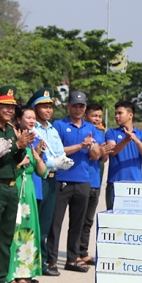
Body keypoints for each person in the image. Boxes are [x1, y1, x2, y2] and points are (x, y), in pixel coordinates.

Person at [0, 86, 35, 283]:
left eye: (12, 106)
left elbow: (14, 160)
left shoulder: (9, 129)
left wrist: (22, 147)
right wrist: (17, 145)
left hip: (12, 186)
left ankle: (1, 276)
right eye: (5, 106)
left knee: (6, 235)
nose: (9, 110)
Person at [48, 90, 100, 273]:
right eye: (75, 105)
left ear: (85, 108)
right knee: (56, 223)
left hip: (83, 180)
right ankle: (51, 260)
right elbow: (57, 151)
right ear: (68, 106)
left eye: (81, 106)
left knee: (77, 223)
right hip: (62, 179)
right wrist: (80, 146)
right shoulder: (59, 125)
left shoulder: (90, 127)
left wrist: (91, 145)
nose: (78, 109)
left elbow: (96, 156)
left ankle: (72, 259)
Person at [6, 106, 48, 283]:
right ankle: (10, 273)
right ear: (19, 119)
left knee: (28, 232)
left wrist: (38, 155)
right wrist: (19, 162)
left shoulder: (34, 141)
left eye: (34, 118)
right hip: (15, 189)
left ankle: (25, 271)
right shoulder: (13, 138)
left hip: (29, 192)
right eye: (28, 117)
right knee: (13, 232)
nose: (32, 121)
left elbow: (42, 172)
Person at [29, 87, 65, 277]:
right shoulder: (32, 129)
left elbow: (60, 151)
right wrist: (53, 162)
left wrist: (61, 161)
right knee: (36, 222)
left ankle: (43, 261)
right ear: (35, 108)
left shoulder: (51, 129)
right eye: (43, 107)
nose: (48, 110)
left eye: (50, 106)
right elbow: (36, 156)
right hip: (38, 177)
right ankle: (36, 262)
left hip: (52, 179)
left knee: (46, 222)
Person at [79, 103, 112, 264]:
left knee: (88, 220)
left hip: (96, 182)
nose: (97, 119)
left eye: (99, 116)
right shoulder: (84, 131)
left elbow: (103, 159)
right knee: (79, 218)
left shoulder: (101, 133)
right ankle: (75, 252)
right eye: (94, 116)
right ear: (86, 116)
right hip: (83, 181)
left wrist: (104, 153)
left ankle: (83, 251)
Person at [105, 100, 142, 209]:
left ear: (130, 115)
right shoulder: (111, 132)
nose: (117, 116)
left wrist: (136, 140)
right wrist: (126, 139)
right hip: (115, 183)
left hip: (135, 184)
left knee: (132, 220)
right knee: (113, 219)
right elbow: (112, 151)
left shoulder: (141, 134)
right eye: (116, 113)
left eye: (120, 113)